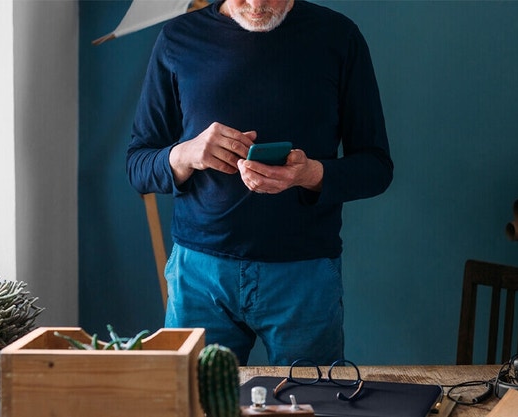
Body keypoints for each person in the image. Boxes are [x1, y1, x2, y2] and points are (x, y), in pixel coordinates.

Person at [126, 0, 393, 366]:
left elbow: (377, 167)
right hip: (198, 276)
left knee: (311, 406)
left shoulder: (339, 38)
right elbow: (137, 165)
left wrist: (310, 173)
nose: (257, 4)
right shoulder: (177, 38)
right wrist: (187, 153)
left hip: (305, 274)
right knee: (194, 406)